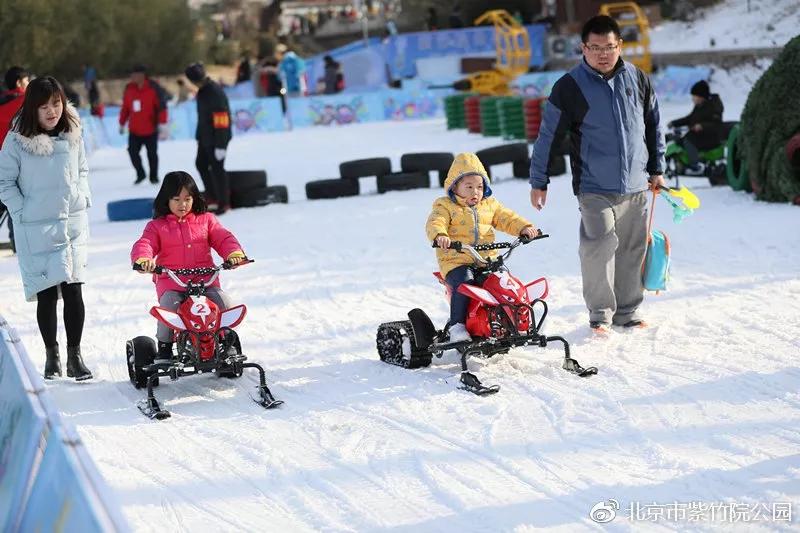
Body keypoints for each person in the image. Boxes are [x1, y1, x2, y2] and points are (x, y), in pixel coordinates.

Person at [529, 15, 665, 334]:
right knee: (599, 245)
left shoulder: (639, 79)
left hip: (635, 183)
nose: (603, 53)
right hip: (594, 186)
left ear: (620, 45)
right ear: (583, 48)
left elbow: (654, 125)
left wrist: (657, 168)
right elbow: (548, 135)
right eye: (595, 47)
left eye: (609, 47)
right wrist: (539, 180)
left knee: (633, 248)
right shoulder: (569, 87)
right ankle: (601, 312)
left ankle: (628, 310)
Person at [0, 76, 93, 380]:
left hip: (71, 222)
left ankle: (75, 356)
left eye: (56, 103)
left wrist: (83, 196)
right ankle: (51, 355)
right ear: (32, 109)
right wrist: (21, 211)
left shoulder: (73, 133)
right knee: (47, 295)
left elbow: (82, 169)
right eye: (44, 107)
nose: (52, 111)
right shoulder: (16, 140)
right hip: (36, 228)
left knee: (74, 289)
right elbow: (4, 182)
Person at [130, 171, 246, 361]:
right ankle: (165, 348)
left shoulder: (206, 220)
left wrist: (233, 254)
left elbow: (223, 237)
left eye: (187, 199)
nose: (182, 205)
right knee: (169, 309)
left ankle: (225, 343)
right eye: (176, 199)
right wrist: (144, 260)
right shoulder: (157, 226)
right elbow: (146, 244)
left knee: (224, 303)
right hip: (173, 283)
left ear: (195, 198)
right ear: (166, 200)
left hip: (205, 281)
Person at [426, 152, 538, 342]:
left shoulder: (489, 205)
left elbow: (506, 218)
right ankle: (457, 326)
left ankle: (517, 320)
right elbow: (436, 221)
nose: (475, 192)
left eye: (479, 187)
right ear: (455, 187)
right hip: (456, 260)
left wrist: (524, 227)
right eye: (468, 187)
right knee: (465, 283)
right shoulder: (445, 206)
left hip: (487, 260)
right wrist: (441, 235)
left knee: (505, 281)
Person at [184, 62, 233, 214]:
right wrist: (199, 136)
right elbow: (203, 118)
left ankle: (224, 202)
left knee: (217, 168)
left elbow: (222, 119)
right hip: (205, 137)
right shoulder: (203, 91)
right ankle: (211, 196)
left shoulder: (214, 92)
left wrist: (221, 144)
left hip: (216, 138)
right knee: (201, 164)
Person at [119, 64, 169, 185]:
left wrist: (163, 124)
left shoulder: (153, 88)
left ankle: (154, 176)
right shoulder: (129, 88)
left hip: (150, 128)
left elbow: (162, 107)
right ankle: (140, 174)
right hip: (134, 129)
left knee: (152, 154)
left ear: (142, 75)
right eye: (131, 74)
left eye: (134, 74)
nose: (132, 76)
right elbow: (125, 107)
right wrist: (122, 123)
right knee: (132, 152)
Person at [0, 66, 30, 252]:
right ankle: (18, 243)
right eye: (27, 81)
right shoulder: (24, 101)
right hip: (16, 159)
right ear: (19, 82)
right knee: (16, 202)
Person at [667, 80, 724, 171]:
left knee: (688, 139)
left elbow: (716, 124)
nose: (693, 98)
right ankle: (677, 163)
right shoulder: (699, 105)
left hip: (711, 137)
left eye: (694, 96)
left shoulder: (713, 105)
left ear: (701, 96)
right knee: (677, 140)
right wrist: (674, 123)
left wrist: (702, 126)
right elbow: (690, 118)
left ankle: (694, 164)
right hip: (699, 135)